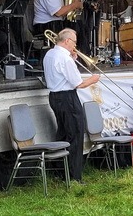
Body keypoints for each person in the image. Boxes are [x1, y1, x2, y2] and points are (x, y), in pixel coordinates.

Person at [43, 28, 100, 182]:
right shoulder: (65, 58)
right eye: (74, 42)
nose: (75, 45)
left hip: (54, 97)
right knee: (75, 134)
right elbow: (78, 84)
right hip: (68, 97)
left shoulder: (50, 54)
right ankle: (75, 176)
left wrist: (73, 59)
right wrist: (93, 80)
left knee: (62, 133)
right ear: (67, 41)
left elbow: (60, 72)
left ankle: (59, 171)